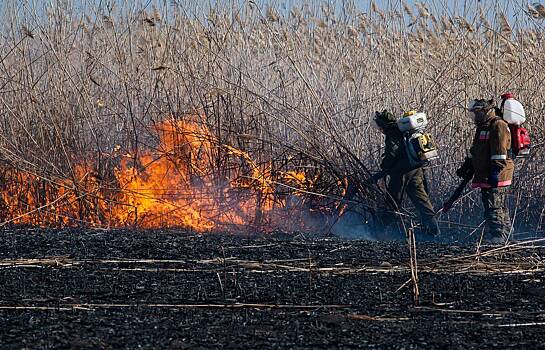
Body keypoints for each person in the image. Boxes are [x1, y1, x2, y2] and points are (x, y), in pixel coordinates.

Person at [369, 110, 440, 238]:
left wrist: (385, 167)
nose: (379, 129)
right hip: (416, 169)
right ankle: (433, 229)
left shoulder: (393, 133)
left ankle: (379, 232)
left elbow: (392, 153)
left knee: (392, 201)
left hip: (401, 173)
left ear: (384, 124)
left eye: (379, 126)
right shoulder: (404, 131)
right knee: (422, 200)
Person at [457, 99, 514, 244]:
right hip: (485, 173)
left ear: (486, 111)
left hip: (497, 174)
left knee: (494, 206)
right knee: (496, 205)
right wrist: (467, 166)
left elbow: (500, 152)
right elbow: (476, 150)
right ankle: (507, 236)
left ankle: (499, 236)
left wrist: (495, 171)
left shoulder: (498, 125)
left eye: (477, 113)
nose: (475, 117)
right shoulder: (483, 127)